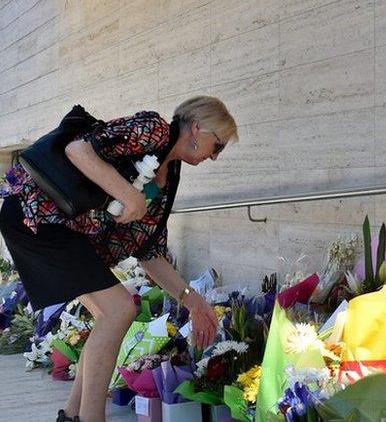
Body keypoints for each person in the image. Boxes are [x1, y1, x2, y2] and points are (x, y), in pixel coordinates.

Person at [0, 95, 238, 422]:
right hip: (37, 218)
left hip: (64, 233)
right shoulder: (153, 130)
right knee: (119, 309)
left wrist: (192, 299)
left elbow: (148, 252)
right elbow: (78, 149)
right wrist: (129, 194)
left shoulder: (168, 176)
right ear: (197, 127)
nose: (215, 156)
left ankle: (71, 416)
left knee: (108, 314)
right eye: (218, 145)